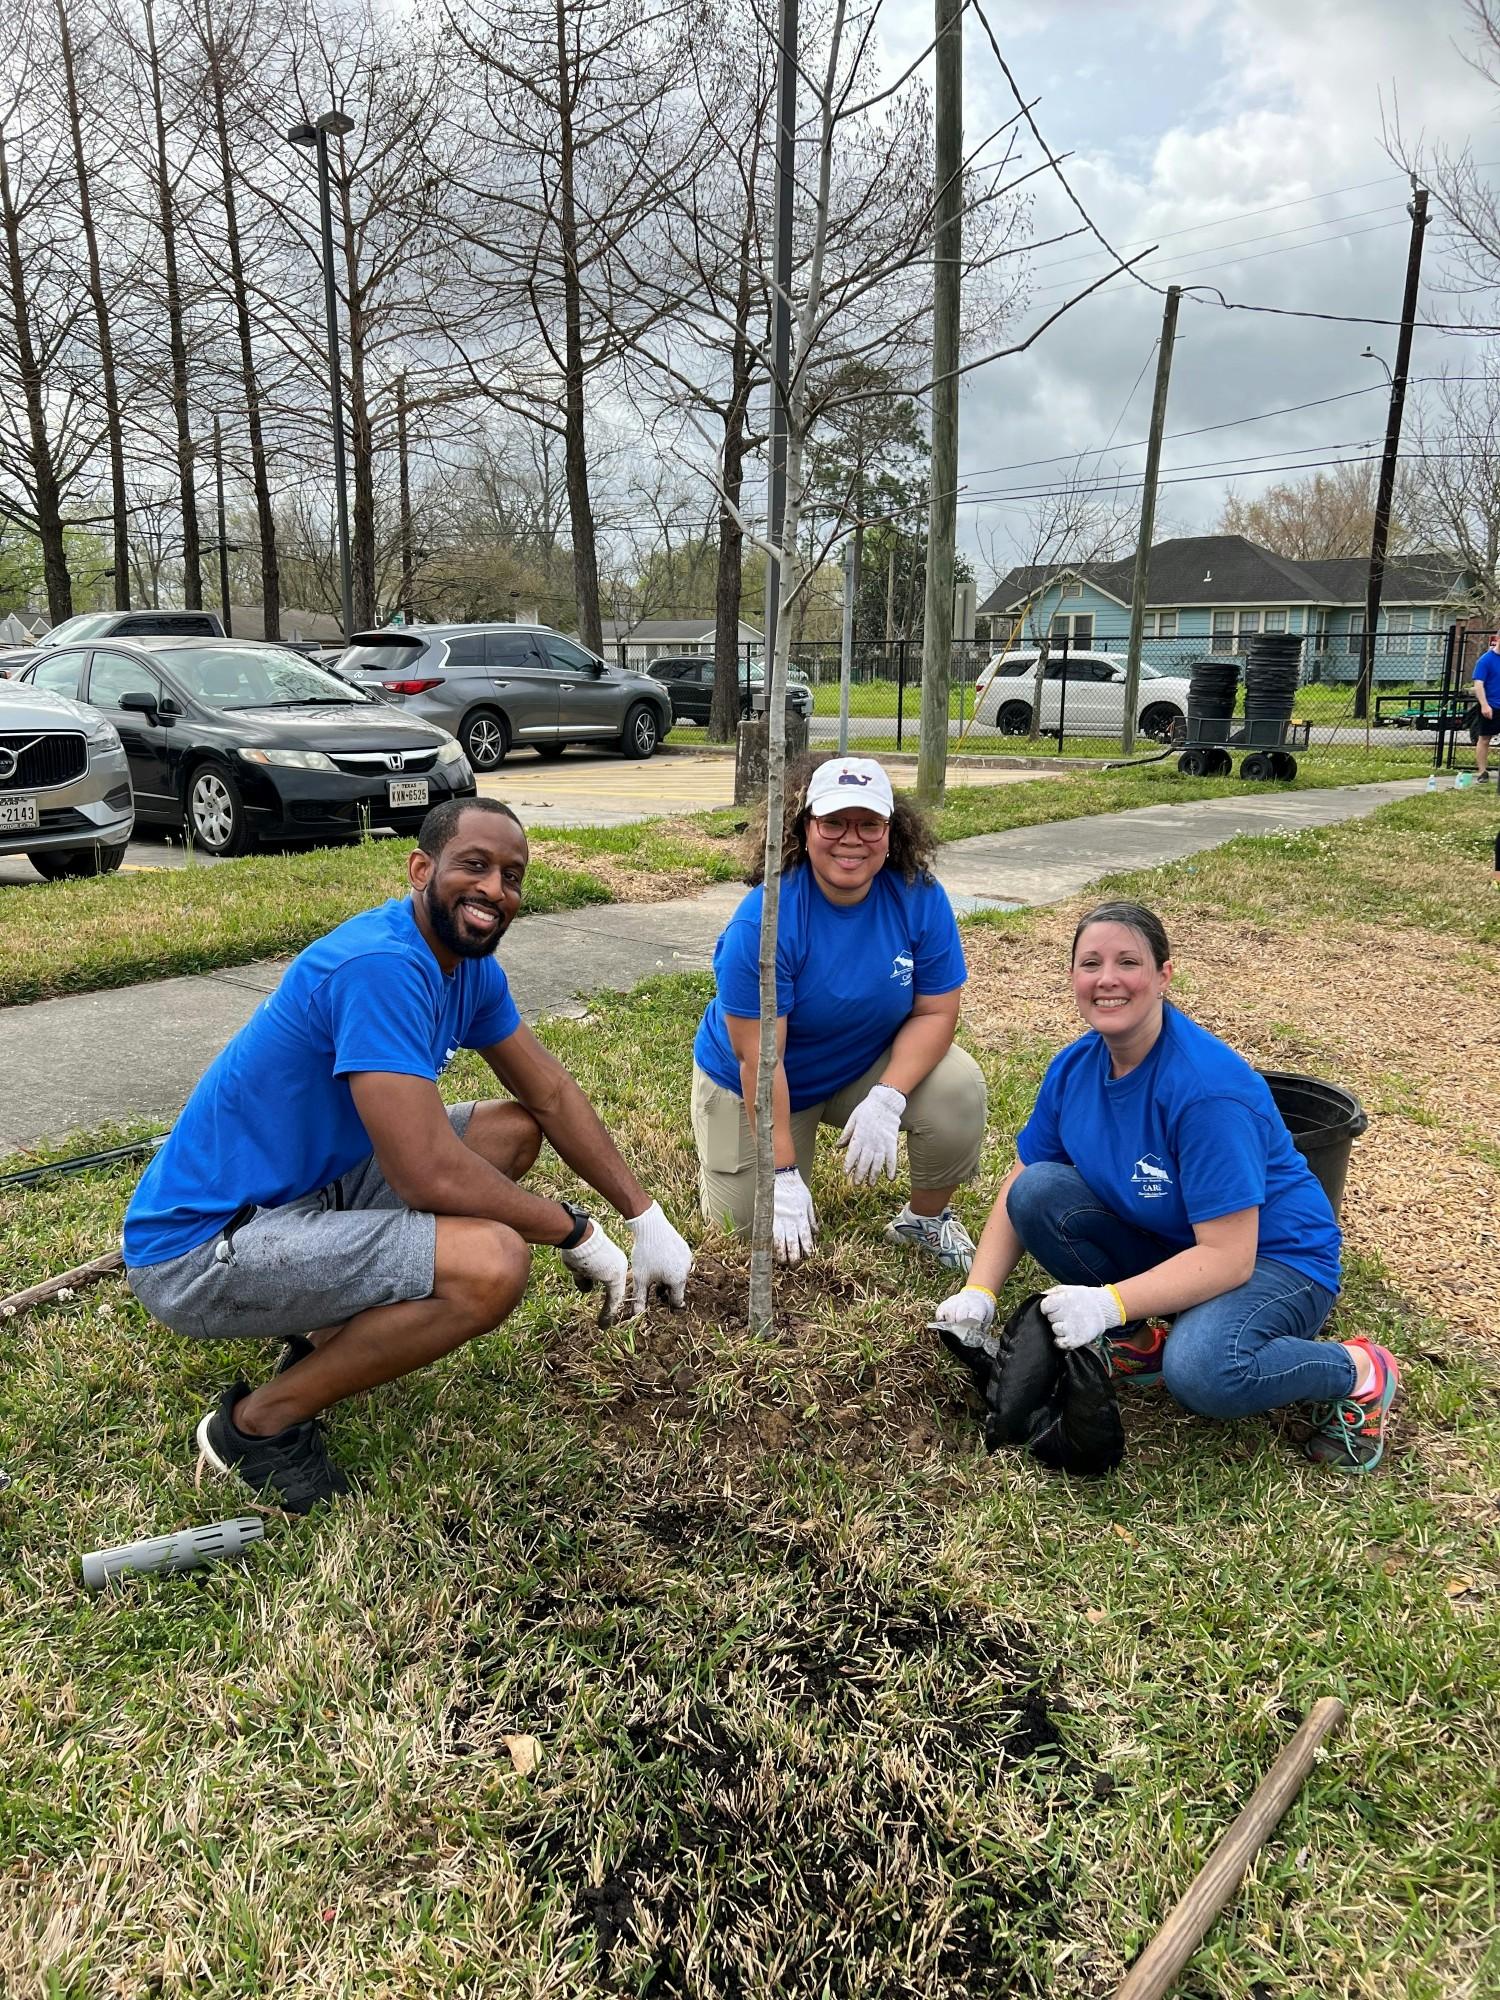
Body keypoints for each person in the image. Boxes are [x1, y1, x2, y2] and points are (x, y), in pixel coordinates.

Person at [123, 797, 695, 1512]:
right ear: (421, 868)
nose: (495, 890)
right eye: (475, 866)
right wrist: (573, 1230)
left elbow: (547, 1092)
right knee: (492, 1264)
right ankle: (254, 1428)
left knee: (509, 1132)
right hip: (200, 1250)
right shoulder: (383, 965)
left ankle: (327, 1338)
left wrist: (643, 1213)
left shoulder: (466, 967)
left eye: (512, 876)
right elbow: (422, 1172)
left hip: (304, 1194)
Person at [933, 900, 1400, 1473]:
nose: (1107, 979)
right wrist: (979, 1292)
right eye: (1090, 963)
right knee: (1038, 1193)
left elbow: (1230, 1259)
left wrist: (1106, 1302)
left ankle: (1358, 1371)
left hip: (1276, 1259)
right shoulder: (1074, 1068)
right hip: (1179, 1241)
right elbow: (1023, 1181)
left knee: (1205, 1371)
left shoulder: (1205, 1092)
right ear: (1073, 977)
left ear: (1163, 976)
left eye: (1128, 962)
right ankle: (1140, 1339)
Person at [690, 754, 987, 1268]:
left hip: (855, 1064)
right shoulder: (763, 922)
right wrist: (782, 1175)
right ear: (804, 828)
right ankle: (758, 1164)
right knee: (747, 1238)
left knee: (957, 1087)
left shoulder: (918, 897)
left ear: (891, 832)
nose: (852, 838)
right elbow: (763, 1064)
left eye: (869, 823)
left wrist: (888, 1098)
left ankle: (925, 1222)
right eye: (833, 822)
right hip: (755, 1081)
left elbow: (936, 1012)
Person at [1471, 632, 1500, 782]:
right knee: (1484, 739)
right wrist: (1484, 705)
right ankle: (1482, 772)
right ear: (1498, 640)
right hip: (1491, 706)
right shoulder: (1486, 660)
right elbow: (1478, 684)